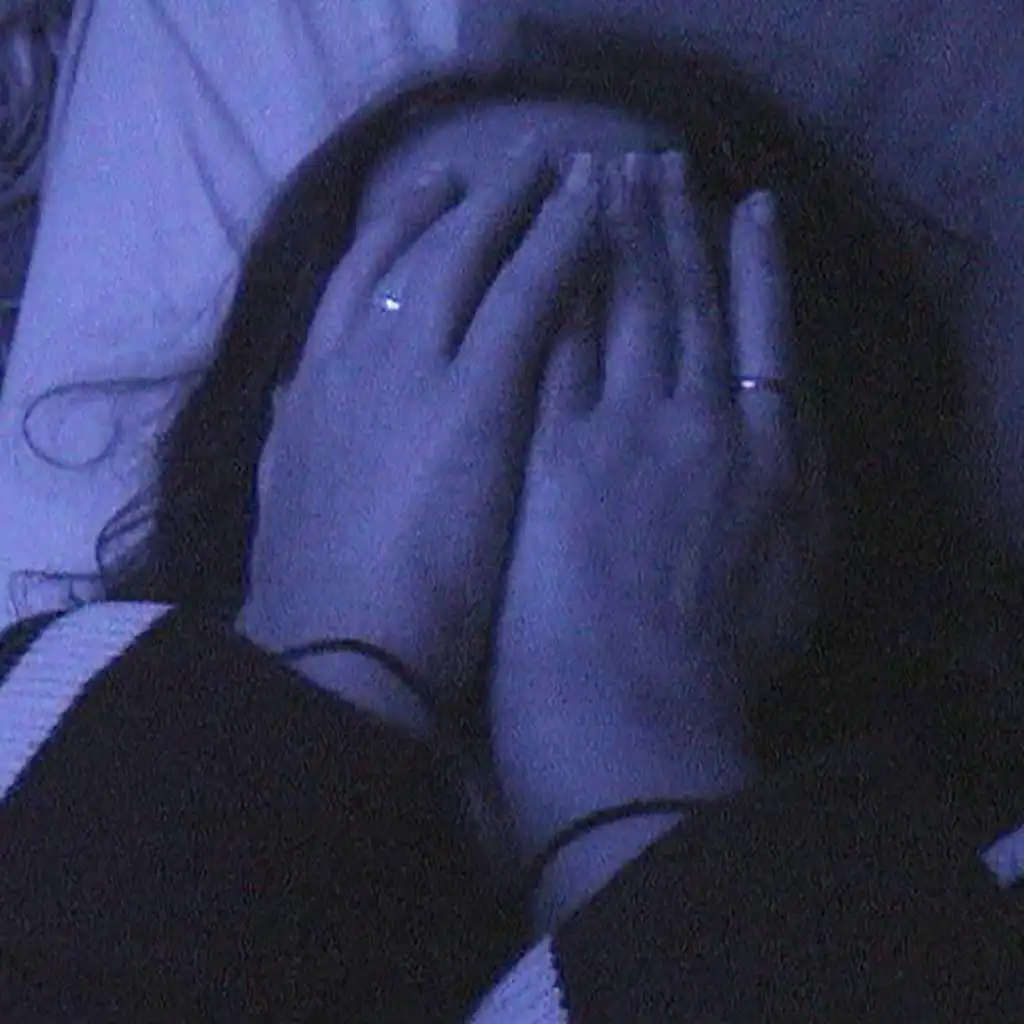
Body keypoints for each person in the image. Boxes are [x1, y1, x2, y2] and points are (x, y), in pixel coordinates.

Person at [2, 24, 1021, 1022]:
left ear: (813, 474)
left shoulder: (969, 904)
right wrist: (333, 645)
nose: (512, 399)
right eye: (433, 318)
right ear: (285, 439)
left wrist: (631, 728)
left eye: (649, 337)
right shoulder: (50, 730)